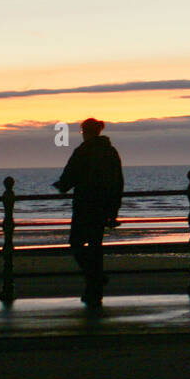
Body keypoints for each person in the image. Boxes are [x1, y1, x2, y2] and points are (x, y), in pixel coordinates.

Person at [53, 118, 124, 306]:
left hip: (85, 206)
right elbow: (118, 182)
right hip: (103, 208)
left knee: (76, 244)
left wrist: (61, 185)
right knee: (95, 248)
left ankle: (96, 279)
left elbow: (70, 176)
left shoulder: (83, 151)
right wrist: (114, 209)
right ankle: (94, 289)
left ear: (86, 132)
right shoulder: (110, 152)